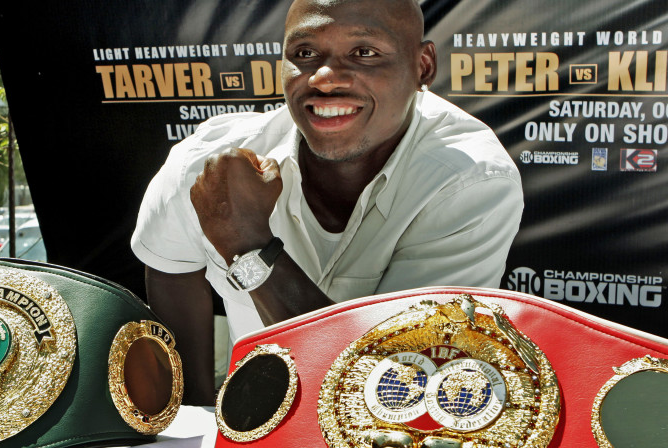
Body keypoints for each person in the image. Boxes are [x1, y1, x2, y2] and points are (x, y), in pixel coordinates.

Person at [131, 0, 524, 405]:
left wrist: (249, 247)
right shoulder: (209, 162)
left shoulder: (470, 180)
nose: (324, 77)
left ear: (422, 66)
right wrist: (197, 410)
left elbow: (388, 385)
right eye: (304, 54)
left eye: (365, 53)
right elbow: (169, 269)